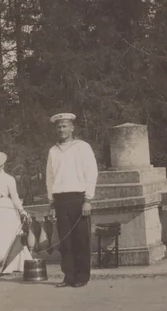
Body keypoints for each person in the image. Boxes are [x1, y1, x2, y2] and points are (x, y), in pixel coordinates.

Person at [45, 112, 99, 288]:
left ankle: (82, 276)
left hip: (78, 198)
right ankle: (68, 276)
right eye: (58, 127)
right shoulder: (53, 151)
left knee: (81, 239)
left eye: (64, 126)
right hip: (60, 200)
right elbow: (49, 178)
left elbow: (91, 173)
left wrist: (88, 199)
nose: (61, 129)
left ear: (72, 128)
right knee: (65, 242)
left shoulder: (82, 147)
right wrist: (52, 203)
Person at [0, 151, 33, 274]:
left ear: (3, 165)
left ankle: (14, 264)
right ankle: (0, 266)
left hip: (7, 209)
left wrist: (22, 211)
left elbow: (15, 197)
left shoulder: (9, 179)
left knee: (9, 236)